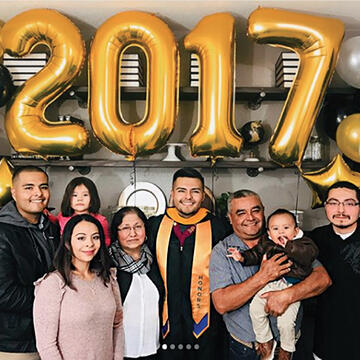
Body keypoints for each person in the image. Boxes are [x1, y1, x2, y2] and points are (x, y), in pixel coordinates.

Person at [209, 190, 331, 360]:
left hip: (290, 346)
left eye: (255, 210)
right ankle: (265, 341)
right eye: (241, 212)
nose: (250, 217)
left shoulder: (286, 242)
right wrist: (263, 276)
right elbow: (221, 304)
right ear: (230, 217)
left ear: (263, 211)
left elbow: (322, 279)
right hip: (247, 350)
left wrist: (287, 296)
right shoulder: (222, 252)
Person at [147, 167, 232, 360]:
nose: (188, 197)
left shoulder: (219, 227)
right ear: (172, 194)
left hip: (207, 324)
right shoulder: (155, 225)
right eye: (181, 191)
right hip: (164, 321)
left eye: (195, 191)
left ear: (203, 196)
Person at [227, 209, 318, 360]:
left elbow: (308, 254)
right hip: (272, 284)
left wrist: (288, 245)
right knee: (255, 309)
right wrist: (242, 257)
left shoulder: (303, 243)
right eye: (276, 229)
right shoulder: (267, 243)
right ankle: (265, 340)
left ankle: (287, 349)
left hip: (292, 286)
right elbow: (256, 254)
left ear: (296, 231)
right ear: (269, 233)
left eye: (286, 228)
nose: (281, 232)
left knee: (286, 323)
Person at [33, 214, 123, 360]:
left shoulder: (108, 277)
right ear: (68, 243)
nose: (90, 244)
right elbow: (46, 344)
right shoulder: (53, 283)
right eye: (81, 238)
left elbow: (117, 324)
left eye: (95, 237)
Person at [0, 166, 59, 360]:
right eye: (28, 187)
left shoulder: (50, 228)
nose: (38, 193)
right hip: (16, 343)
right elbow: (4, 294)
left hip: (51, 338)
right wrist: (54, 301)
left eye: (43, 187)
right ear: (14, 193)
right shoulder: (3, 232)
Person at [308, 181, 360, 360]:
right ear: (325, 206)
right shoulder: (312, 240)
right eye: (333, 202)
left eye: (349, 203)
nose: (341, 210)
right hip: (324, 343)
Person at [109, 206, 164, 360]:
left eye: (138, 227)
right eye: (125, 228)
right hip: (120, 352)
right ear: (116, 232)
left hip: (153, 349)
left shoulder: (156, 262)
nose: (132, 233)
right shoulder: (107, 266)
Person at [49, 176, 111, 246]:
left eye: (85, 195)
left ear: (93, 198)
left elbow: (106, 241)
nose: (80, 199)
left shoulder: (101, 220)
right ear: (68, 198)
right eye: (75, 195)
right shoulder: (62, 217)